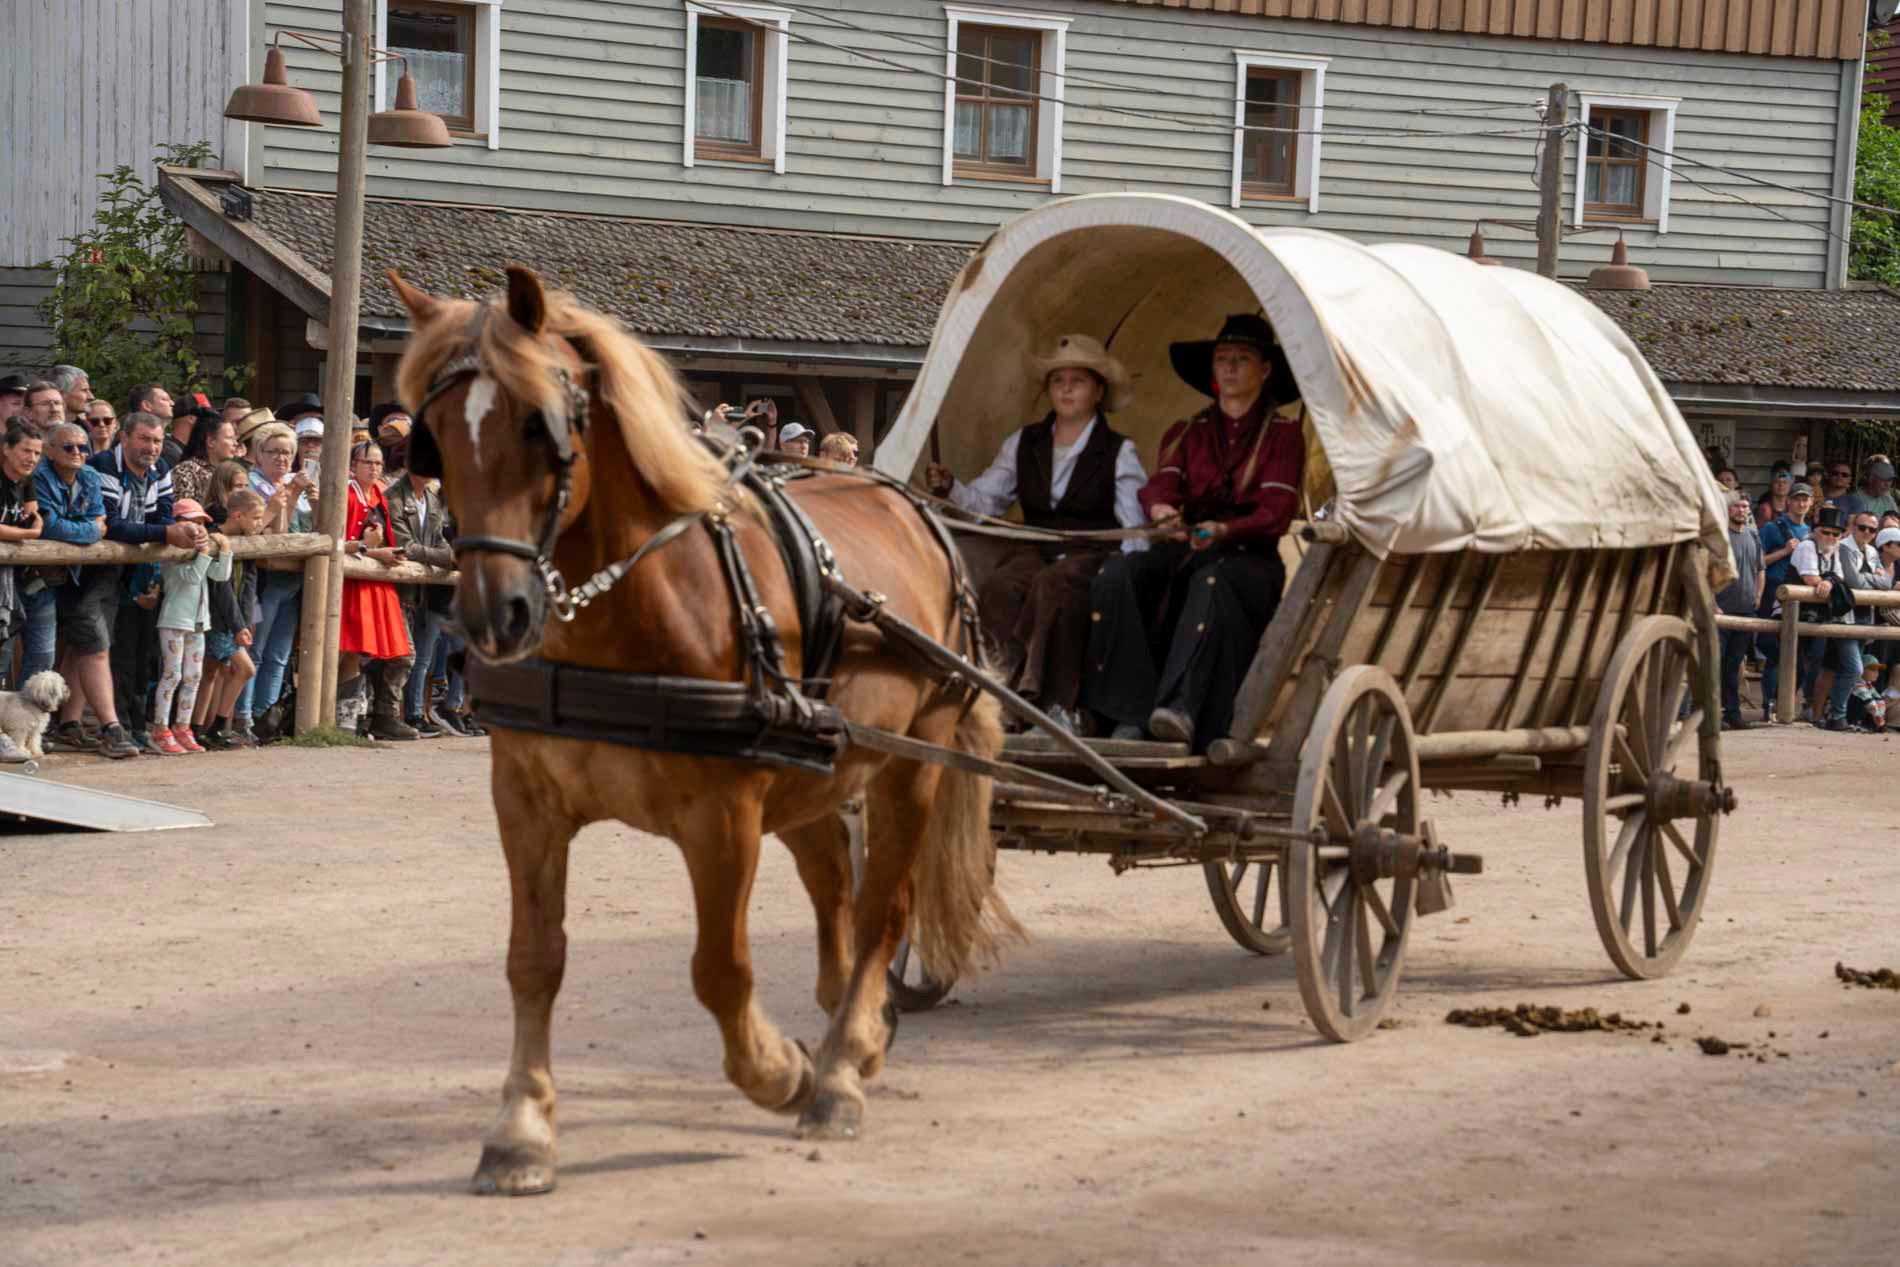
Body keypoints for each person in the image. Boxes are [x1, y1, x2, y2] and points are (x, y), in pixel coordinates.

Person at [1083, 313, 1306, 750]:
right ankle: (1124, 710)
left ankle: (1180, 709)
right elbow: (1162, 482)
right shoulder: (1189, 430)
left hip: (1248, 561)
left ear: (1265, 370)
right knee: (1118, 574)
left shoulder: (1283, 436)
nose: (1229, 367)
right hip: (1190, 549)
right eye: (1223, 358)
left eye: (1242, 359)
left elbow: (1276, 513)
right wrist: (1163, 508)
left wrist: (1224, 528)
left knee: (1211, 581)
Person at [925, 334, 1148, 731]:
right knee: (1003, 585)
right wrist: (949, 488)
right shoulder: (1024, 442)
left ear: (1098, 391)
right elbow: (984, 502)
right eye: (1057, 380)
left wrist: (1132, 576)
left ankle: (1056, 706)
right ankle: (993, 696)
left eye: (1077, 381)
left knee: (1054, 585)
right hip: (1035, 549)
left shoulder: (1118, 451)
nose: (1065, 389)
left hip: (1090, 555)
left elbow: (1134, 524)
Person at [94, 411, 198, 754]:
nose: (152, 448)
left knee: (141, 654)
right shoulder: (104, 466)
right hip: (98, 573)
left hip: (140, 571)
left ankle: (138, 725)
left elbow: (162, 517)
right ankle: (113, 726)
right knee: (111, 649)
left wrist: (173, 534)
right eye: (144, 439)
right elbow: (112, 524)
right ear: (124, 438)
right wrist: (166, 533)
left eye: (156, 440)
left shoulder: (161, 470)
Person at [33, 422, 138, 757]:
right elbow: (48, 525)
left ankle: (69, 724)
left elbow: (99, 518)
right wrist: (88, 531)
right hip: (42, 578)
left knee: (82, 648)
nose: (78, 453)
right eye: (69, 448)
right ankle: (111, 728)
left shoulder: (89, 476)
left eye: (83, 448)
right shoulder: (38, 477)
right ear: (49, 450)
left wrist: (82, 530)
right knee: (88, 648)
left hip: (87, 575)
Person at [338, 442, 416, 739]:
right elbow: (339, 540)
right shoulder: (346, 494)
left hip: (372, 581)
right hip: (349, 581)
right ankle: (333, 719)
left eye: (379, 463)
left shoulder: (378, 496)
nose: (374, 468)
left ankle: (350, 722)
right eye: (367, 462)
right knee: (344, 650)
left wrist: (385, 551)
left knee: (359, 653)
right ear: (353, 465)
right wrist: (374, 553)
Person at [239, 426, 315, 731]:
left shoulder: (291, 483)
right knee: (255, 651)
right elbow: (276, 534)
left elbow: (314, 527)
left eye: (287, 453)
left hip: (294, 579)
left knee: (279, 654)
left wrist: (310, 497)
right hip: (264, 579)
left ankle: (265, 717)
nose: (282, 458)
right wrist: (292, 496)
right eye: (274, 452)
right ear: (258, 455)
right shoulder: (251, 487)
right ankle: (243, 717)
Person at [152, 499, 229, 755]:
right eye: (191, 522)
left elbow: (220, 576)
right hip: (175, 620)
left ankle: (183, 726)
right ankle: (160, 728)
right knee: (172, 674)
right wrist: (205, 554)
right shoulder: (173, 555)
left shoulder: (199, 554)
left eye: (201, 523)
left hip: (198, 621)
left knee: (193, 676)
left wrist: (225, 551)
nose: (198, 528)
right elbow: (192, 576)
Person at [386, 463, 455, 736]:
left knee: (414, 656)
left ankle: (401, 715)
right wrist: (450, 557)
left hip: (420, 591)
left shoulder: (432, 500)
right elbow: (406, 546)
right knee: (406, 655)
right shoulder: (393, 498)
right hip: (396, 588)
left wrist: (448, 554)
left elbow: (438, 540)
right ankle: (398, 715)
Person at [197, 489, 264, 749]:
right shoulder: (217, 540)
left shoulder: (247, 543)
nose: (260, 523)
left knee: (212, 672)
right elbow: (220, 587)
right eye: (256, 517)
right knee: (244, 669)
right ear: (237, 515)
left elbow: (249, 584)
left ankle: (204, 727)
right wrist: (237, 626)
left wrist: (245, 623)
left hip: (234, 621)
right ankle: (213, 727)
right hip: (216, 619)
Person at [1791, 505, 1863, 730]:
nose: (1831, 537)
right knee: (1798, 665)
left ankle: (1830, 715)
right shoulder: (1806, 546)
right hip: (1794, 615)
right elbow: (1810, 579)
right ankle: (1777, 710)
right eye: (1826, 532)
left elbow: (1836, 580)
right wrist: (1829, 581)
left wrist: (1829, 582)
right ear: (1815, 531)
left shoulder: (1835, 551)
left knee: (1845, 667)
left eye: (1836, 533)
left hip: (1827, 618)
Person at [1756, 479, 1812, 720]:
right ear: (1788, 501)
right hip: (1772, 592)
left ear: (1811, 503)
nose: (1801, 503)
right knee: (1772, 649)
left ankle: (1782, 703)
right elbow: (1758, 562)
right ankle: (1768, 703)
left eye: (1805, 499)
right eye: (1797, 498)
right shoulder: (1772, 528)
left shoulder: (1811, 531)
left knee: (1797, 654)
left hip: (1800, 597)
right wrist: (1784, 552)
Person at [0, 421, 44, 705]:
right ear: (6, 448)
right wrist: (28, 534)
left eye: (38, 453)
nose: (32, 458)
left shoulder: (26, 481)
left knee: (4, 648)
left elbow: (33, 514)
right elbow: (32, 527)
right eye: (26, 450)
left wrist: (30, 526)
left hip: (9, 578)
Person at [1715, 488, 1764, 730]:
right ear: (1727, 509)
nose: (1741, 510)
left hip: (1746, 611)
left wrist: (1758, 594)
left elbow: (1760, 569)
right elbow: (1707, 570)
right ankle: (1711, 714)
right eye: (1736, 506)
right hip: (1721, 611)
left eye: (1744, 506)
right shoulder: (1719, 536)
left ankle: (1733, 713)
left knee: (1734, 666)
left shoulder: (1753, 535)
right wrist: (1712, 603)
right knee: (1716, 663)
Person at [171, 411, 241, 505]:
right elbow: (182, 513)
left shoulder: (228, 470)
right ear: (211, 442)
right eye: (230, 438)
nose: (235, 443)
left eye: (235, 439)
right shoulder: (186, 471)